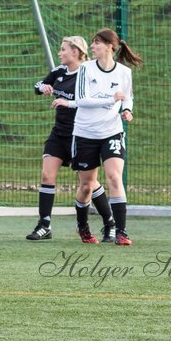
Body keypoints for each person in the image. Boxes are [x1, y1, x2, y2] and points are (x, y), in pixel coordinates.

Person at [53, 28, 143, 246]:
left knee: (114, 177)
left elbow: (127, 97)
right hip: (85, 133)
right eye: (92, 43)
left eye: (96, 43)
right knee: (87, 186)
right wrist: (111, 99)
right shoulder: (85, 69)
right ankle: (82, 226)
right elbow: (82, 99)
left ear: (109, 47)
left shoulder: (123, 72)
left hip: (111, 131)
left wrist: (127, 110)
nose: (92, 47)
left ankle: (121, 232)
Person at [27, 36, 112, 244]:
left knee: (88, 184)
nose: (59, 53)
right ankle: (44, 225)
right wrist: (43, 88)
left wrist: (69, 102)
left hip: (82, 135)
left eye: (63, 49)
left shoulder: (89, 74)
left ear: (75, 52)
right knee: (47, 175)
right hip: (59, 134)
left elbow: (96, 100)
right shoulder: (59, 71)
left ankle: (110, 222)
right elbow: (38, 85)